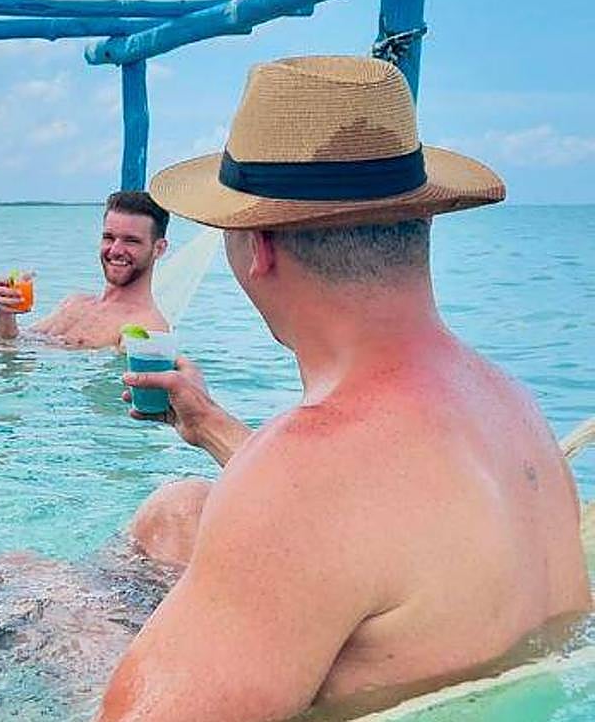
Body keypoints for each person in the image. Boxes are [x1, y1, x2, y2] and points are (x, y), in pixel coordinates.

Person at [98, 56, 590, 722]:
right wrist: (209, 423)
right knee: (178, 508)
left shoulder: (304, 477)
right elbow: (375, 522)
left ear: (258, 247)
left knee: (11, 610)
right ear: (421, 222)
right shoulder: (513, 406)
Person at [0, 191, 170, 349]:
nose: (115, 250)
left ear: (159, 249)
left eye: (131, 241)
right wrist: (6, 313)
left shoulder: (147, 328)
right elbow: (11, 343)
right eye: (109, 237)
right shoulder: (76, 302)